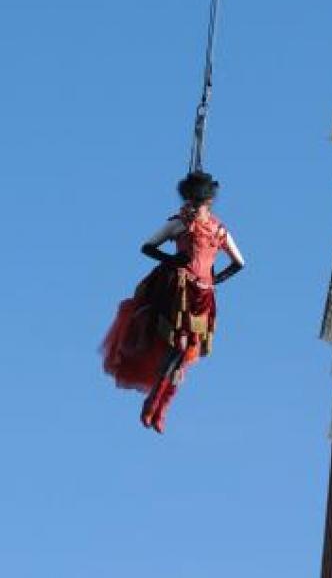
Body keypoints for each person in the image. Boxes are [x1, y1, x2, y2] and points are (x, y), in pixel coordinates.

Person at [101, 170, 244, 434]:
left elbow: (239, 263)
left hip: (202, 297)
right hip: (179, 293)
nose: (195, 207)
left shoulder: (219, 230)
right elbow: (148, 246)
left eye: (199, 202)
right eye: (192, 201)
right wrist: (172, 260)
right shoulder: (180, 224)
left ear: (207, 203)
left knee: (184, 355)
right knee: (177, 349)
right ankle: (153, 403)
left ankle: (162, 407)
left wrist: (214, 280)